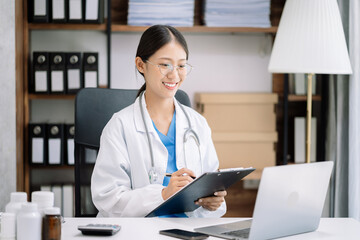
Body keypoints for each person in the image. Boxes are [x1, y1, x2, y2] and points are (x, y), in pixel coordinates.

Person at [91, 25, 227, 217]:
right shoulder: (120, 126)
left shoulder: (198, 124)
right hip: (138, 232)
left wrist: (213, 202)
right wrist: (163, 194)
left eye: (181, 65)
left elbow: (212, 185)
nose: (174, 74)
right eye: (165, 65)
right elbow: (108, 198)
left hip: (188, 232)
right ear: (140, 65)